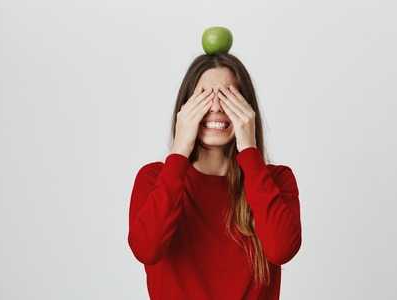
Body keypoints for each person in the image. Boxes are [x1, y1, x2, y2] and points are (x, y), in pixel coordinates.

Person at [128, 53, 302, 299]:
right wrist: (178, 153)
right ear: (185, 109)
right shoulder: (153, 178)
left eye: (229, 97)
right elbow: (147, 249)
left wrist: (251, 153)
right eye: (204, 97)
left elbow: (281, 250)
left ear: (247, 109)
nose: (217, 107)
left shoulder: (276, 179)